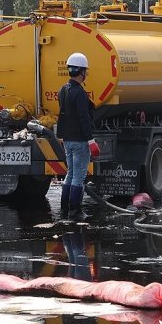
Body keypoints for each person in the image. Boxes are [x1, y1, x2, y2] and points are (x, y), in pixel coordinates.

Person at [56, 52, 100, 221]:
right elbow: (84, 119)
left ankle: (65, 209)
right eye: (85, 71)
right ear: (81, 72)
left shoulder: (63, 90)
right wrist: (91, 141)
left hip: (67, 139)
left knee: (70, 173)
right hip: (80, 140)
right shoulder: (80, 93)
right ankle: (75, 210)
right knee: (79, 176)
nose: (86, 74)